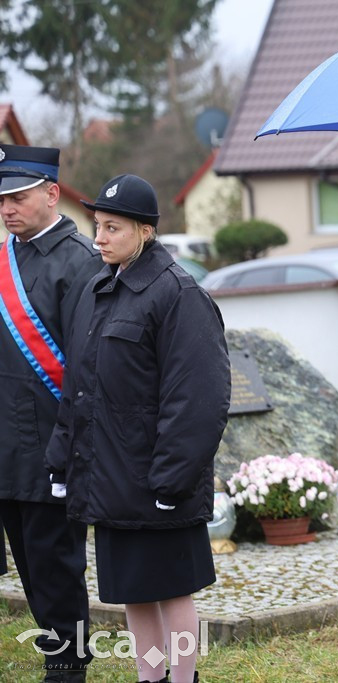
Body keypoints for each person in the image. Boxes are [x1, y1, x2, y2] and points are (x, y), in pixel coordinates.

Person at [44, 174, 231, 683]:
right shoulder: (98, 289)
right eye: (98, 226)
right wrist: (62, 457)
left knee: (173, 591)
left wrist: (172, 479)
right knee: (134, 592)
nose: (99, 238)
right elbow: (78, 386)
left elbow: (199, 398)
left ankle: (184, 678)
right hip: (112, 479)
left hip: (156, 481)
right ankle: (151, 678)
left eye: (113, 228)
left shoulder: (178, 293)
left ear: (145, 231)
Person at [0, 143, 101, 681]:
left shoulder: (80, 260)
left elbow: (86, 366)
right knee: (28, 564)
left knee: (55, 564)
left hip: (52, 444)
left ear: (52, 193)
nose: (7, 209)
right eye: (2, 201)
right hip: (6, 443)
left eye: (18, 197)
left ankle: (67, 664)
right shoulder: (6, 258)